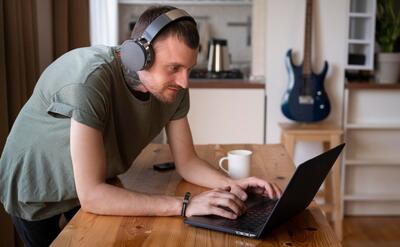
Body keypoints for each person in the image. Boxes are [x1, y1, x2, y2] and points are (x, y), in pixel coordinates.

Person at [0, 5, 281, 247]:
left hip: (92, 182)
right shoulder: (90, 81)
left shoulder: (173, 88)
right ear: (138, 57)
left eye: (188, 69)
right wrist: (185, 205)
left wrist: (232, 186)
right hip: (37, 187)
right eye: (174, 68)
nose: (184, 82)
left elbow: (186, 161)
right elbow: (93, 196)